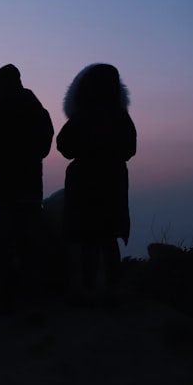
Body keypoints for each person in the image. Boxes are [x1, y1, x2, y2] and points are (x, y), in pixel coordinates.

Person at [0, 64, 54, 299]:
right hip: (29, 190)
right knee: (29, 248)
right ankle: (33, 301)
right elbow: (45, 148)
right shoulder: (38, 112)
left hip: (2, 192)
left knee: (1, 248)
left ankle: (3, 301)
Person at [56, 63, 137, 292]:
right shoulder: (120, 117)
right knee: (108, 240)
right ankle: (113, 291)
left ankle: (89, 291)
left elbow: (64, 146)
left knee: (88, 241)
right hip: (113, 185)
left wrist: (88, 150)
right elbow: (130, 149)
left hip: (85, 186)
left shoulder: (82, 116)